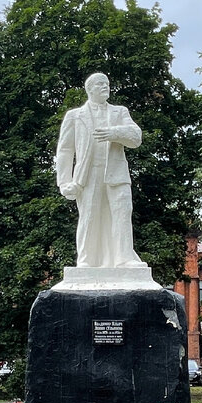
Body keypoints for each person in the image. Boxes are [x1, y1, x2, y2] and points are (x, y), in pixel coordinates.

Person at [55, 73, 147, 268]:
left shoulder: (119, 112)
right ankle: (86, 260)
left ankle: (125, 258)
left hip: (117, 174)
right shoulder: (74, 116)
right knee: (89, 216)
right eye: (100, 84)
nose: (106, 86)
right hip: (87, 176)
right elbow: (64, 150)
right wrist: (64, 182)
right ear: (90, 89)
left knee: (122, 214)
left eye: (107, 83)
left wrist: (115, 132)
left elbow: (136, 137)